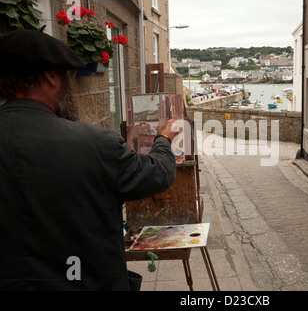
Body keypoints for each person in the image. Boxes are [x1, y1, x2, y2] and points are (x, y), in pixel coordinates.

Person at [0, 30, 179, 290]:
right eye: (66, 77)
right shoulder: (94, 143)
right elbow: (157, 174)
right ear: (51, 76)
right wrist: (163, 138)